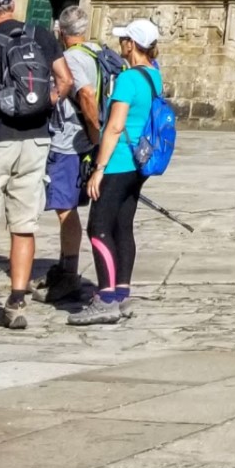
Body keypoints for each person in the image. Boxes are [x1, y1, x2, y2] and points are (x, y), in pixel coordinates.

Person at [0, 0, 70, 331]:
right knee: (23, 225)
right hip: (36, 140)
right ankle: (18, 302)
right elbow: (65, 80)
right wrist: (43, 104)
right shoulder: (41, 35)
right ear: (12, 4)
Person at [73, 18, 163, 328]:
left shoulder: (127, 80)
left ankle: (106, 298)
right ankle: (122, 292)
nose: (120, 43)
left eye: (124, 39)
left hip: (119, 161)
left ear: (131, 44)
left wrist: (99, 168)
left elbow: (114, 125)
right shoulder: (154, 76)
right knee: (123, 226)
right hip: (139, 164)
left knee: (98, 228)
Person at [42, 4, 102, 309]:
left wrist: (94, 133)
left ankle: (68, 272)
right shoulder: (95, 53)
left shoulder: (72, 58)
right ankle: (67, 267)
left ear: (62, 33)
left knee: (65, 209)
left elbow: (87, 95)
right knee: (69, 208)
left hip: (69, 142)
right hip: (82, 143)